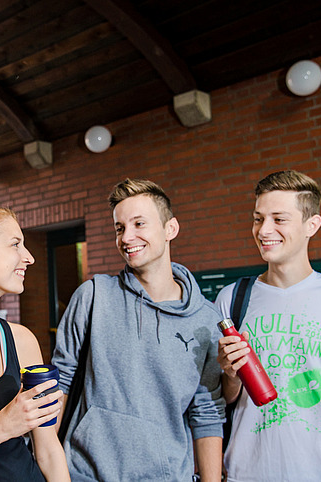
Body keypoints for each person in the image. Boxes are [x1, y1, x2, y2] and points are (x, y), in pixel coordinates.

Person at [215, 170, 321, 481]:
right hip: (247, 474)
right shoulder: (233, 300)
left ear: (312, 225)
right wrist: (229, 374)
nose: (264, 230)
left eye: (279, 219)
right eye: (258, 219)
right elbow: (225, 399)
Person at [52, 179, 225, 481]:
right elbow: (60, 383)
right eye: (120, 228)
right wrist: (47, 468)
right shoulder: (94, 296)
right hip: (83, 474)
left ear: (170, 229)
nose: (127, 237)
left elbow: (206, 412)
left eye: (139, 224)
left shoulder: (206, 320)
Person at [0, 205, 70, 482]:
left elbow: (47, 449)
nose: (29, 257)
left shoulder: (22, 340)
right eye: (15, 245)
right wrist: (1, 427)